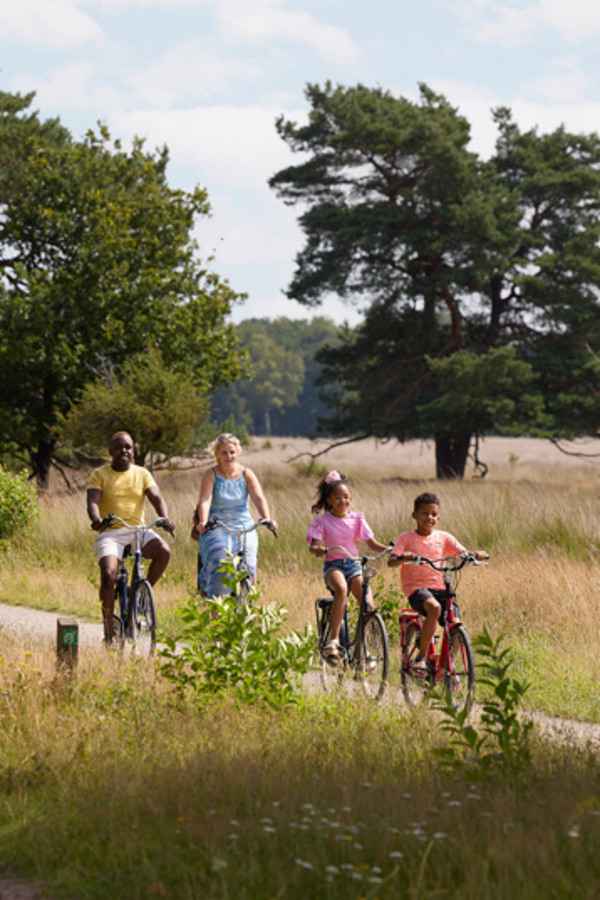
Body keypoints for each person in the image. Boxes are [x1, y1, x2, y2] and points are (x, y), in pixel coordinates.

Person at [87, 431, 175, 643]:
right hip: (111, 532)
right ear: (110, 451)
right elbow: (92, 502)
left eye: (127, 447)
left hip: (138, 530)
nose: (123, 451)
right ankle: (109, 633)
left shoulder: (142, 473)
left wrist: (164, 518)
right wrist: (97, 519)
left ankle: (140, 597)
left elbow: (156, 497)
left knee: (163, 551)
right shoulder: (100, 474)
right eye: (118, 447)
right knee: (108, 575)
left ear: (133, 451)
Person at [388, 491, 487, 672]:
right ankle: (422, 656)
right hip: (417, 589)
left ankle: (447, 665)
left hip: (440, 588)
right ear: (414, 515)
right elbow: (391, 561)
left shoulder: (444, 538)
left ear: (438, 517)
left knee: (457, 624)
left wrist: (474, 555)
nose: (429, 518)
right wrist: (403, 557)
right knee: (434, 608)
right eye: (425, 513)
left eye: (433, 514)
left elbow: (461, 552)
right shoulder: (406, 538)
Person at [307, 470, 388, 659]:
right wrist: (317, 549)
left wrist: (390, 549)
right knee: (342, 589)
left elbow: (372, 543)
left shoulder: (357, 519)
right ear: (329, 501)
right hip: (333, 566)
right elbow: (314, 545)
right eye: (337, 498)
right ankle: (334, 640)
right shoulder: (323, 521)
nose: (342, 501)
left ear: (350, 499)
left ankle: (364, 650)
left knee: (367, 604)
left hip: (353, 565)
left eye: (346, 497)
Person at [191, 433, 278, 598]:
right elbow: (204, 500)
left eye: (231, 452)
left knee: (249, 562)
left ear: (237, 452)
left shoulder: (247, 474)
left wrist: (267, 518)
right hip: (217, 524)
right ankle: (216, 609)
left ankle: (247, 603)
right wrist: (203, 522)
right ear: (216, 454)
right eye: (224, 452)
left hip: (243, 524)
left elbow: (259, 498)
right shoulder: (211, 475)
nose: (228, 456)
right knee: (220, 562)